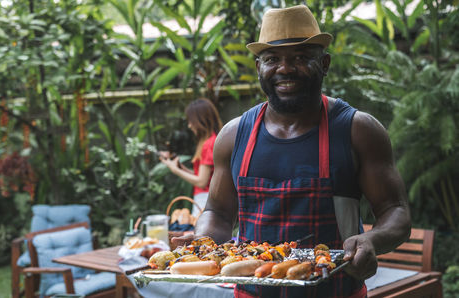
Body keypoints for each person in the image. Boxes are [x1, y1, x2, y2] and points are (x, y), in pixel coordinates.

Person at [172, 5, 411, 298]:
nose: (284, 68)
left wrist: (372, 239)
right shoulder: (234, 136)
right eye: (272, 59)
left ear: (324, 63)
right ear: (258, 66)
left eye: (300, 57)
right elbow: (219, 213)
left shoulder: (357, 130)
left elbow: (395, 212)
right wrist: (203, 240)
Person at [160, 98, 223, 217]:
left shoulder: (209, 144)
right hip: (207, 200)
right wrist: (181, 167)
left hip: (205, 200)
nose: (189, 126)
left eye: (191, 121)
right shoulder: (211, 140)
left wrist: (175, 170)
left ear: (200, 120)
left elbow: (201, 182)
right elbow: (202, 176)